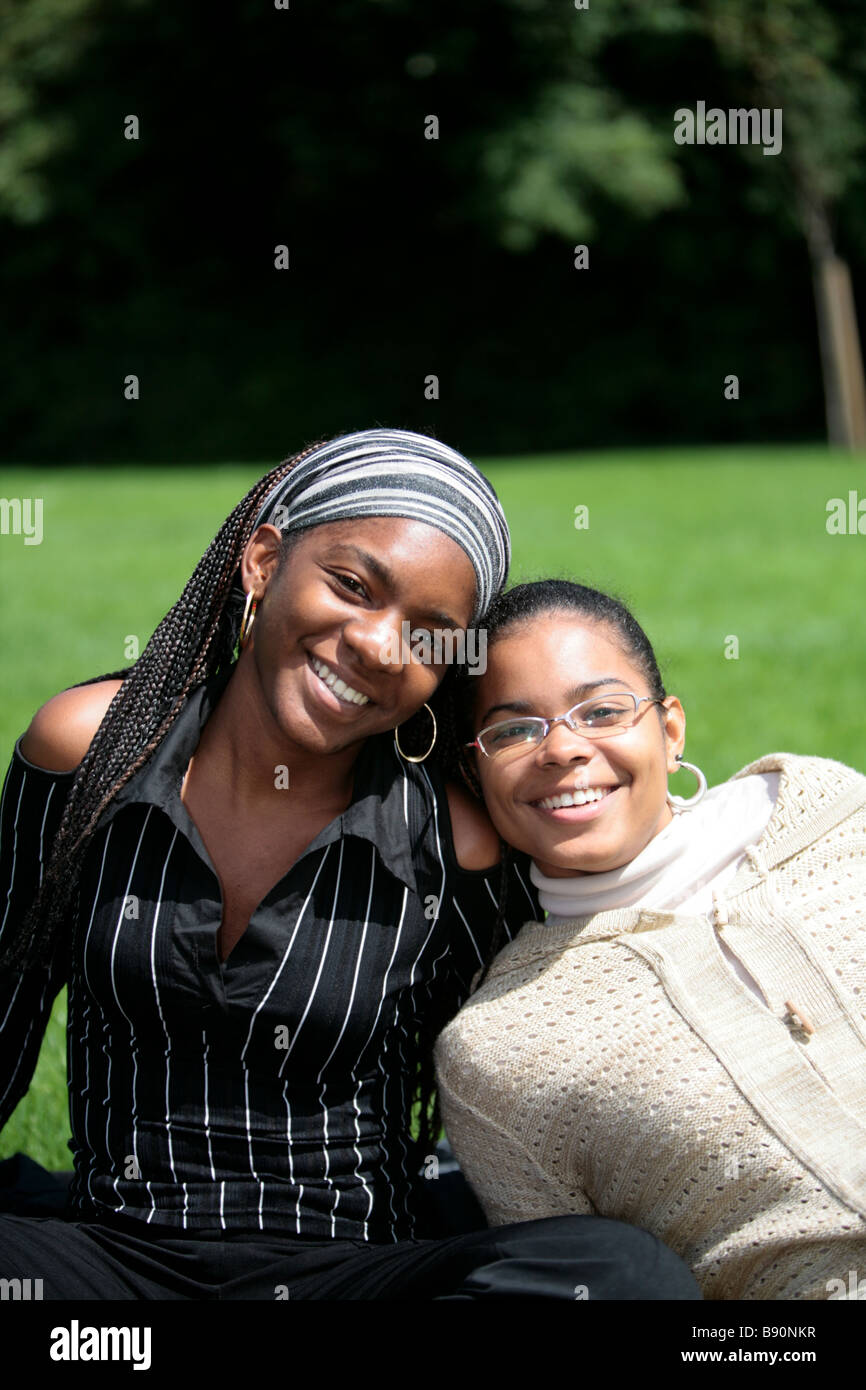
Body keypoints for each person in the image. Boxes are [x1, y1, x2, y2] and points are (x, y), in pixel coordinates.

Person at [0, 436, 700, 1300]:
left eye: (429, 635)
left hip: (353, 1276)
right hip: (110, 1266)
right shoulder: (93, 751)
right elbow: (4, 1001)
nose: (377, 646)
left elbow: (559, 1012)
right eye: (351, 586)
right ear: (263, 561)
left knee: (619, 1274)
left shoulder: (452, 839)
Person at [434, 578, 866, 1300]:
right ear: (474, 776)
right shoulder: (498, 1051)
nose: (563, 749)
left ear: (669, 731)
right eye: (514, 730)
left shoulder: (829, 813)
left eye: (601, 711)